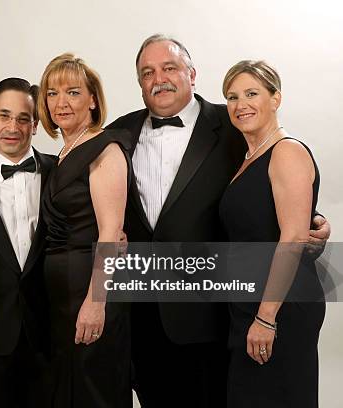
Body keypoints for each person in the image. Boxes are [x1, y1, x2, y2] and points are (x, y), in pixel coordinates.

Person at [107, 34, 331, 407]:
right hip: (144, 314)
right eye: (147, 72)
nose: (158, 78)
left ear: (191, 74)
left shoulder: (234, 127)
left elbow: (276, 188)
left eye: (169, 68)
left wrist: (312, 221)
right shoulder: (118, 133)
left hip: (215, 316)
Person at [219, 60, 324, 408]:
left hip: (280, 306)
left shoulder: (286, 151)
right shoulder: (250, 157)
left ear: (275, 98)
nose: (240, 104)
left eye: (252, 93)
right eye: (232, 97)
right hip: (250, 303)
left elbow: (293, 237)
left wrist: (266, 317)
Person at [38, 53, 132, 407]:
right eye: (52, 93)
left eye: (72, 92)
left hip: (91, 291)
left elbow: (110, 232)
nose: (61, 103)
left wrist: (96, 301)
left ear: (93, 99)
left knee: (95, 390)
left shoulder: (105, 149)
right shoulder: (63, 152)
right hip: (62, 296)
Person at [0, 77, 56, 408]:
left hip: (49, 334)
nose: (12, 127)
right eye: (4, 116)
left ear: (35, 125)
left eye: (23, 118)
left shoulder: (61, 172)